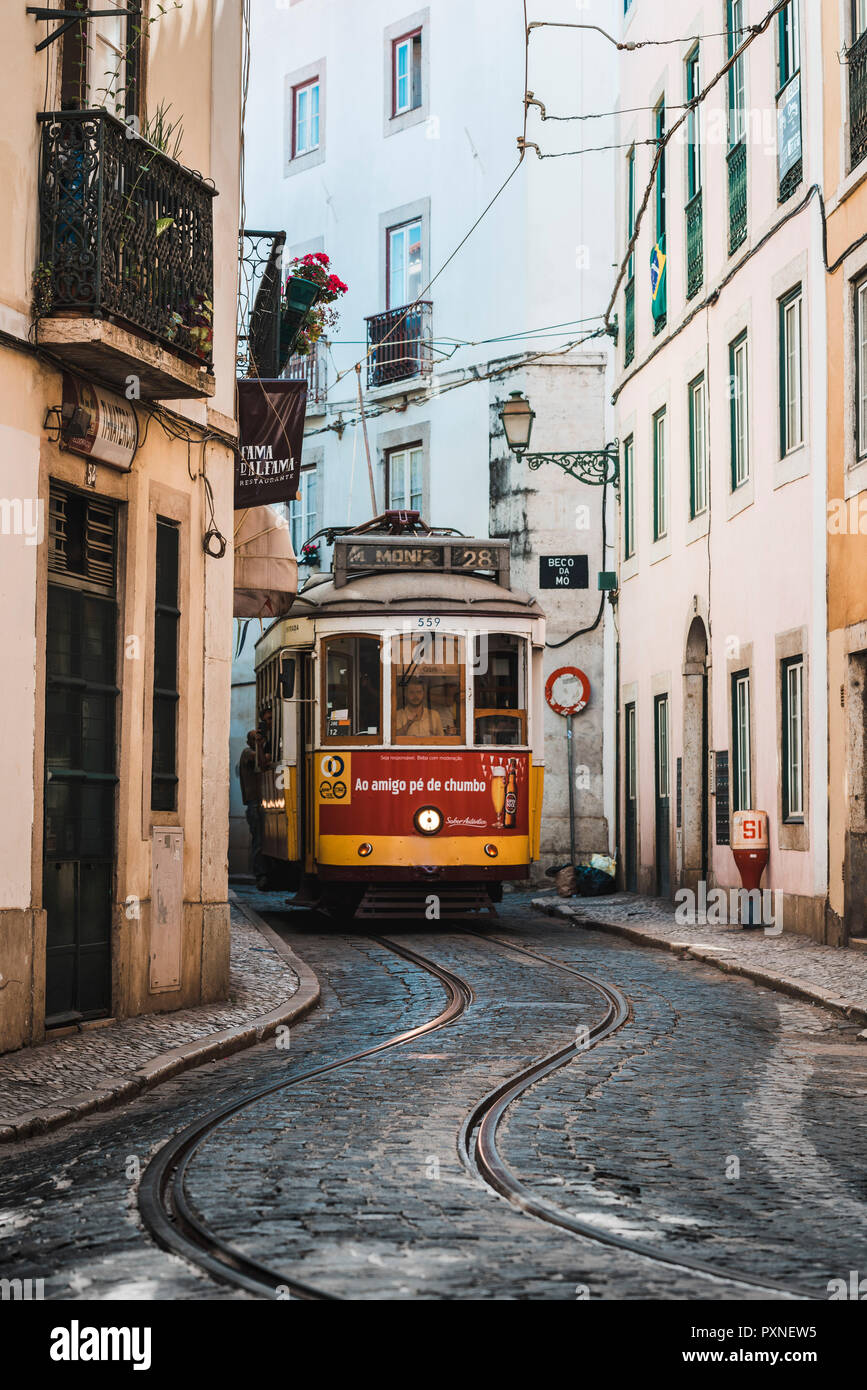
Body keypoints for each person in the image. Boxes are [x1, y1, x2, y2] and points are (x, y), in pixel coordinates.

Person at [238, 730, 266, 879]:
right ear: (249, 742)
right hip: (253, 803)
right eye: (254, 738)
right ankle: (259, 873)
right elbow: (262, 763)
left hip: (255, 803)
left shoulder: (249, 752)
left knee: (259, 840)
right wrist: (260, 746)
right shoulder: (247, 753)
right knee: (258, 840)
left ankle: (259, 871)